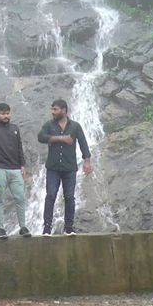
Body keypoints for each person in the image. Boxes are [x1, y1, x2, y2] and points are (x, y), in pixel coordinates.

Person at [37, 99, 92, 236]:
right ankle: (47, 228)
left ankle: (69, 227)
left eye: (55, 109)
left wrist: (87, 161)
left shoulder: (75, 126)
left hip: (69, 167)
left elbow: (83, 143)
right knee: (50, 195)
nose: (52, 112)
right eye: (52, 109)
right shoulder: (49, 125)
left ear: (64, 110)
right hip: (53, 168)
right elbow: (41, 137)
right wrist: (60, 139)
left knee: (69, 197)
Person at [0, 102, 29, 239]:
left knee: (20, 197)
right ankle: (0, 229)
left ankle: (23, 227)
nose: (6, 116)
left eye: (8, 113)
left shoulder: (15, 128)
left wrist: (23, 164)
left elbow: (19, 147)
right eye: (3, 113)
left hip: (15, 169)